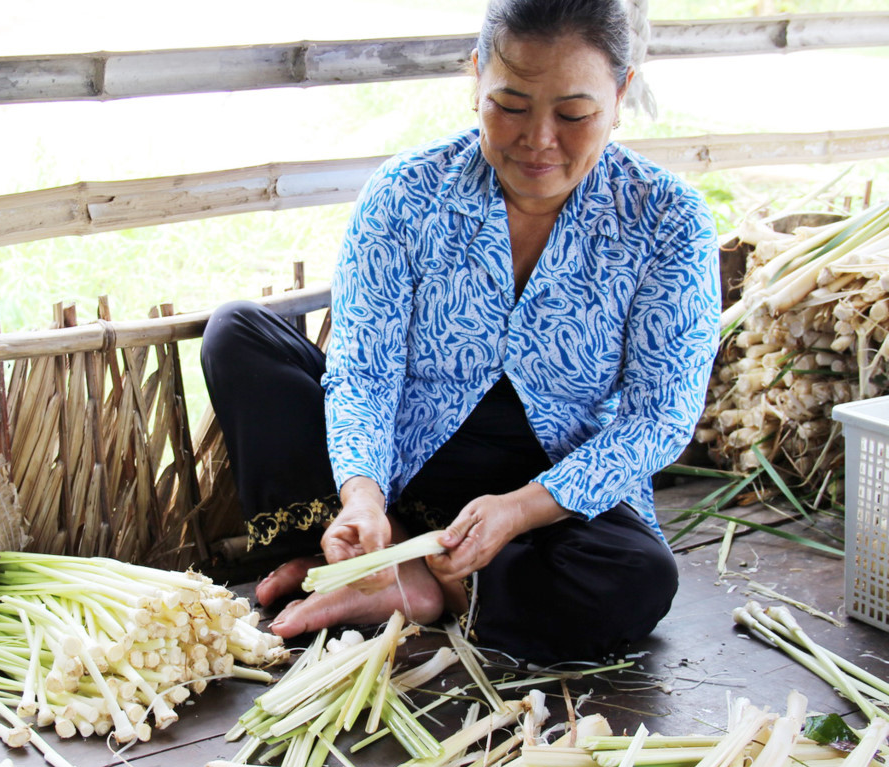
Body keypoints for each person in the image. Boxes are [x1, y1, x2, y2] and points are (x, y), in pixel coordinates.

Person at [201, 0, 720, 664]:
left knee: (639, 575)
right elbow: (364, 371)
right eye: (509, 103)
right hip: (399, 463)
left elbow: (660, 416)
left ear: (619, 95)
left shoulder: (668, 219)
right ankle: (354, 545)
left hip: (545, 495)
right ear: (475, 77)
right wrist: (363, 490)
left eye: (573, 114)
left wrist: (524, 507)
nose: (538, 139)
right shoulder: (406, 194)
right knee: (238, 334)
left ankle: (429, 583)